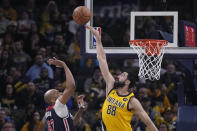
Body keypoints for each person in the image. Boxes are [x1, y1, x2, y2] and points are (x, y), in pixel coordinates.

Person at [86, 25, 158, 131]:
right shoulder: (111, 87)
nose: (118, 75)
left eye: (123, 75)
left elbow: (148, 122)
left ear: (128, 82)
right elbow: (101, 58)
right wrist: (98, 39)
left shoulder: (132, 101)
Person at [44, 57, 87, 131]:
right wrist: (64, 65)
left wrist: (81, 109)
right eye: (57, 93)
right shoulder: (58, 105)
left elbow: (73, 123)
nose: (61, 92)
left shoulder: (51, 111)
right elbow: (71, 87)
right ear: (53, 99)